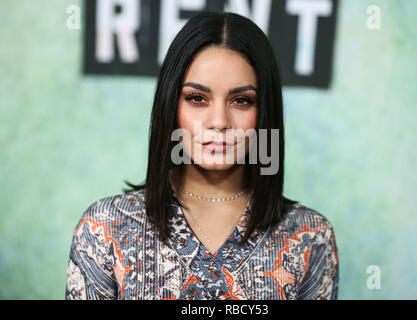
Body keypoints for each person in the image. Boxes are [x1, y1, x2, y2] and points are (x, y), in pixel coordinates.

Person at [65, 11, 339, 300]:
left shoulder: (311, 237)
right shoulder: (104, 230)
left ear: (265, 113)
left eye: (241, 101)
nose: (218, 121)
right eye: (197, 98)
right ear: (171, 105)